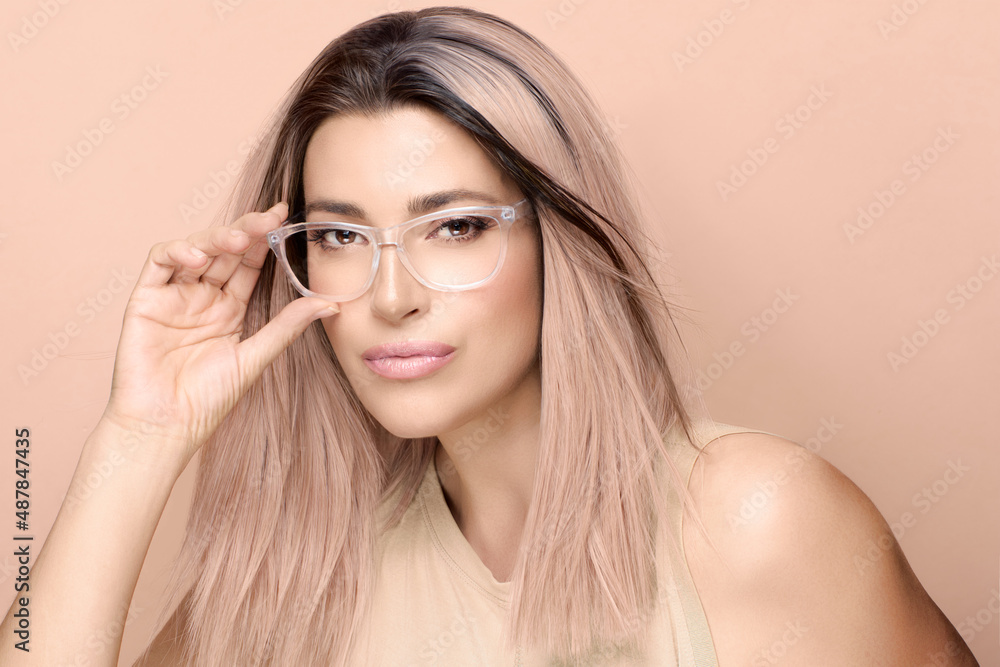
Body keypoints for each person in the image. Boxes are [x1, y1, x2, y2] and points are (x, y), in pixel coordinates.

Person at [0, 6, 978, 666]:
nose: (391, 294)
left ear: (562, 244)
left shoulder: (753, 519)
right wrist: (138, 441)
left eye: (455, 225)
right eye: (341, 235)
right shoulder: (301, 574)